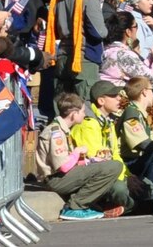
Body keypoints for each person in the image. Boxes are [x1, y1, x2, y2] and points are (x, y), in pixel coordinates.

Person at [37, 91, 131, 219]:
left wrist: (91, 161)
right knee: (114, 167)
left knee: (108, 166)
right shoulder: (56, 132)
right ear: (74, 114)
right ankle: (75, 206)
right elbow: (63, 166)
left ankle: (92, 204)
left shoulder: (63, 129)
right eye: (82, 111)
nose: (85, 114)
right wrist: (77, 152)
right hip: (56, 179)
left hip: (62, 176)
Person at [46, 0, 105, 97]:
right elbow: (99, 32)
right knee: (85, 108)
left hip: (62, 57)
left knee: (64, 108)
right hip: (83, 59)